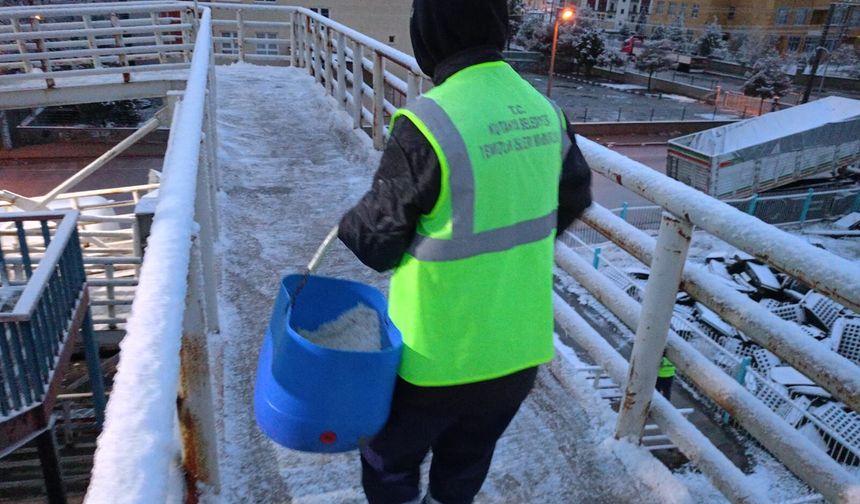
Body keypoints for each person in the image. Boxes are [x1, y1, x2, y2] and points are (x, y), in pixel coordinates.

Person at [337, 1, 592, 502]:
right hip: (518, 350)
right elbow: (576, 197)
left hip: (435, 356)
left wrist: (352, 221)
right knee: (465, 464)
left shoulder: (429, 120)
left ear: (428, 37)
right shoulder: (545, 111)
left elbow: (376, 242)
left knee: (389, 464)